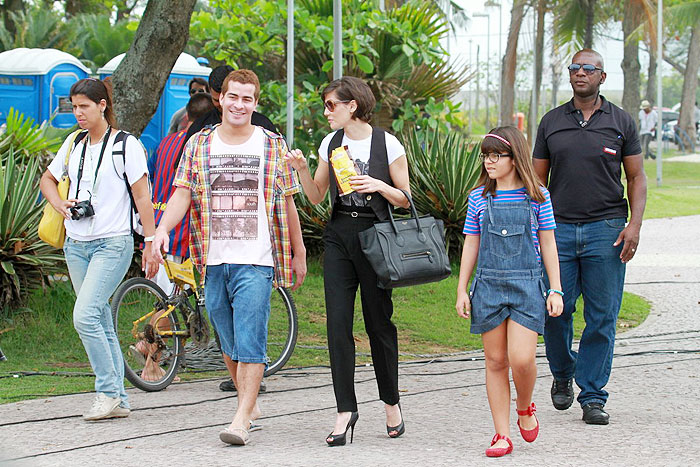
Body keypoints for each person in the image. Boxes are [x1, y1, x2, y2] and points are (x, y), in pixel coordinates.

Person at [152, 69, 307, 446]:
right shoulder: (200, 144)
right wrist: (160, 230)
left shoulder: (271, 145)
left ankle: (241, 418)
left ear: (256, 103)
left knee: (251, 337)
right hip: (212, 259)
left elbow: (287, 203)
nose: (239, 105)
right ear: (221, 98)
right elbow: (182, 195)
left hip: (257, 258)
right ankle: (248, 403)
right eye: (233, 97)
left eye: (248, 99)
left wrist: (299, 251)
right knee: (227, 338)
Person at [285, 76, 410, 446]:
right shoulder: (330, 142)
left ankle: (391, 402)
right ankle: (345, 410)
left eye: (331, 105)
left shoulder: (386, 143)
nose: (326, 112)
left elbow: (405, 198)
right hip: (339, 234)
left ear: (351, 105)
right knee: (337, 324)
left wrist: (379, 185)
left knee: (378, 324)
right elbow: (317, 195)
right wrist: (302, 170)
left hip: (376, 236)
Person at [533, 49, 647, 425]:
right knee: (556, 310)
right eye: (575, 68)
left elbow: (636, 178)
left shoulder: (621, 121)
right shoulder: (551, 122)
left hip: (607, 231)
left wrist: (635, 224)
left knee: (602, 317)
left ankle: (593, 395)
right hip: (559, 230)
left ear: (602, 76)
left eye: (588, 69)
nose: (580, 73)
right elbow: (537, 182)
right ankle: (563, 373)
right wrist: (535, 228)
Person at [39, 78, 158, 421]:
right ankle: (118, 398)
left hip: (113, 242)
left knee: (84, 315)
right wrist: (60, 203)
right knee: (100, 317)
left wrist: (150, 243)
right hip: (76, 243)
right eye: (74, 107)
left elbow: (142, 197)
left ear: (102, 105)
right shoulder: (74, 142)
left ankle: (106, 391)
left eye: (84, 107)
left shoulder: (126, 145)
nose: (78, 113)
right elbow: (47, 179)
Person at [455, 127, 563, 458]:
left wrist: (555, 289)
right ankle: (501, 434)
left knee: (521, 358)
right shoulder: (478, 198)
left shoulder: (538, 196)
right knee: (496, 360)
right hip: (488, 285)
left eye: (495, 156)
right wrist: (462, 288)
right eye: (485, 156)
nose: (488, 162)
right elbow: (471, 244)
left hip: (527, 284)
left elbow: (548, 244)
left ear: (514, 159)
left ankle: (526, 405)